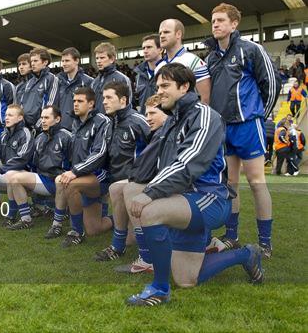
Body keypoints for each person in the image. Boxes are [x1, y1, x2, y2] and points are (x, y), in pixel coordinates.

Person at [124, 63, 263, 307]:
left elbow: (190, 161)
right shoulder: (172, 121)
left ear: (185, 86)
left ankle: (159, 289)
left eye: (166, 85)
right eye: (158, 86)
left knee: (151, 211)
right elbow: (156, 162)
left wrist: (151, 193)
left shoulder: (205, 115)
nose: (160, 91)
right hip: (182, 201)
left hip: (210, 198)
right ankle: (245, 254)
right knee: (187, 280)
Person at [205, 3, 280, 258]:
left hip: (248, 125)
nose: (215, 24)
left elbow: (270, 83)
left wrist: (258, 115)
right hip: (224, 129)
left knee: (257, 182)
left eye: (221, 20)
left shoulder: (251, 49)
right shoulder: (211, 57)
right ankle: (232, 236)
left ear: (234, 24)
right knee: (231, 184)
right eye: (213, 20)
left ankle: (265, 243)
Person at [45, 87, 112, 246]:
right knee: (94, 229)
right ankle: (58, 224)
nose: (75, 104)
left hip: (99, 175)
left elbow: (100, 153)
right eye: (74, 101)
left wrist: (75, 171)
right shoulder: (76, 123)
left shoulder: (103, 121)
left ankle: (75, 231)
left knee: (69, 184)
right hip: (83, 174)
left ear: (91, 104)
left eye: (80, 101)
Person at [93, 82, 150, 261]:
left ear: (123, 100)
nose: (104, 102)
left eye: (109, 98)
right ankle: (122, 243)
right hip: (118, 179)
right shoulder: (110, 123)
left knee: (116, 189)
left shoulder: (138, 121)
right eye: (103, 98)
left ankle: (122, 248)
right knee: (130, 239)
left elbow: (158, 148)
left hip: (139, 180)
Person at [114, 95, 169, 274]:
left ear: (167, 113)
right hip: (163, 181)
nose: (148, 118)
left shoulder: (164, 133)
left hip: (177, 188)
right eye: (146, 113)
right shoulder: (158, 132)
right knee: (115, 188)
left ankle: (147, 258)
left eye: (153, 113)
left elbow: (143, 171)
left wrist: (134, 178)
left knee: (130, 189)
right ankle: (119, 242)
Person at [7, 105, 72, 229]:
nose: (43, 121)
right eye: (42, 118)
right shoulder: (40, 138)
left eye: (47, 118)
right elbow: (33, 164)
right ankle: (26, 219)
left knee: (60, 180)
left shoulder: (67, 137)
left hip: (61, 180)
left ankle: (57, 223)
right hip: (45, 180)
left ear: (57, 119)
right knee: (14, 177)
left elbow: (74, 163)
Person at [156, 19, 211, 104]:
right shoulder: (159, 66)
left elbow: (206, 98)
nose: (162, 36)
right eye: (160, 33)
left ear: (178, 34)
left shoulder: (193, 61)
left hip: (190, 115)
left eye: (166, 32)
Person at [17, 48, 59, 132]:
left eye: (35, 61)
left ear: (45, 62)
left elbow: (51, 103)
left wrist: (38, 125)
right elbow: (22, 104)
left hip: (40, 127)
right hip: (25, 127)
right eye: (31, 61)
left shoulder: (51, 79)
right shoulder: (29, 82)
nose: (32, 64)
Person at [56, 47, 93, 130]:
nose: (64, 64)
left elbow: (92, 108)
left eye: (67, 61)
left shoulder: (88, 82)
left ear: (77, 61)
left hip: (79, 129)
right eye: (62, 61)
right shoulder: (57, 81)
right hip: (60, 129)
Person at [91, 42, 132, 113]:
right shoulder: (94, 82)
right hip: (98, 123)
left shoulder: (122, 79)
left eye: (102, 58)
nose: (98, 61)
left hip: (116, 122)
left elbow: (127, 105)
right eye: (97, 58)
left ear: (112, 59)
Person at [134, 34, 162, 114]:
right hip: (144, 122)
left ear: (160, 49)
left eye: (149, 47)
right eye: (143, 48)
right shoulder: (139, 75)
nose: (145, 51)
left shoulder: (169, 72)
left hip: (164, 122)